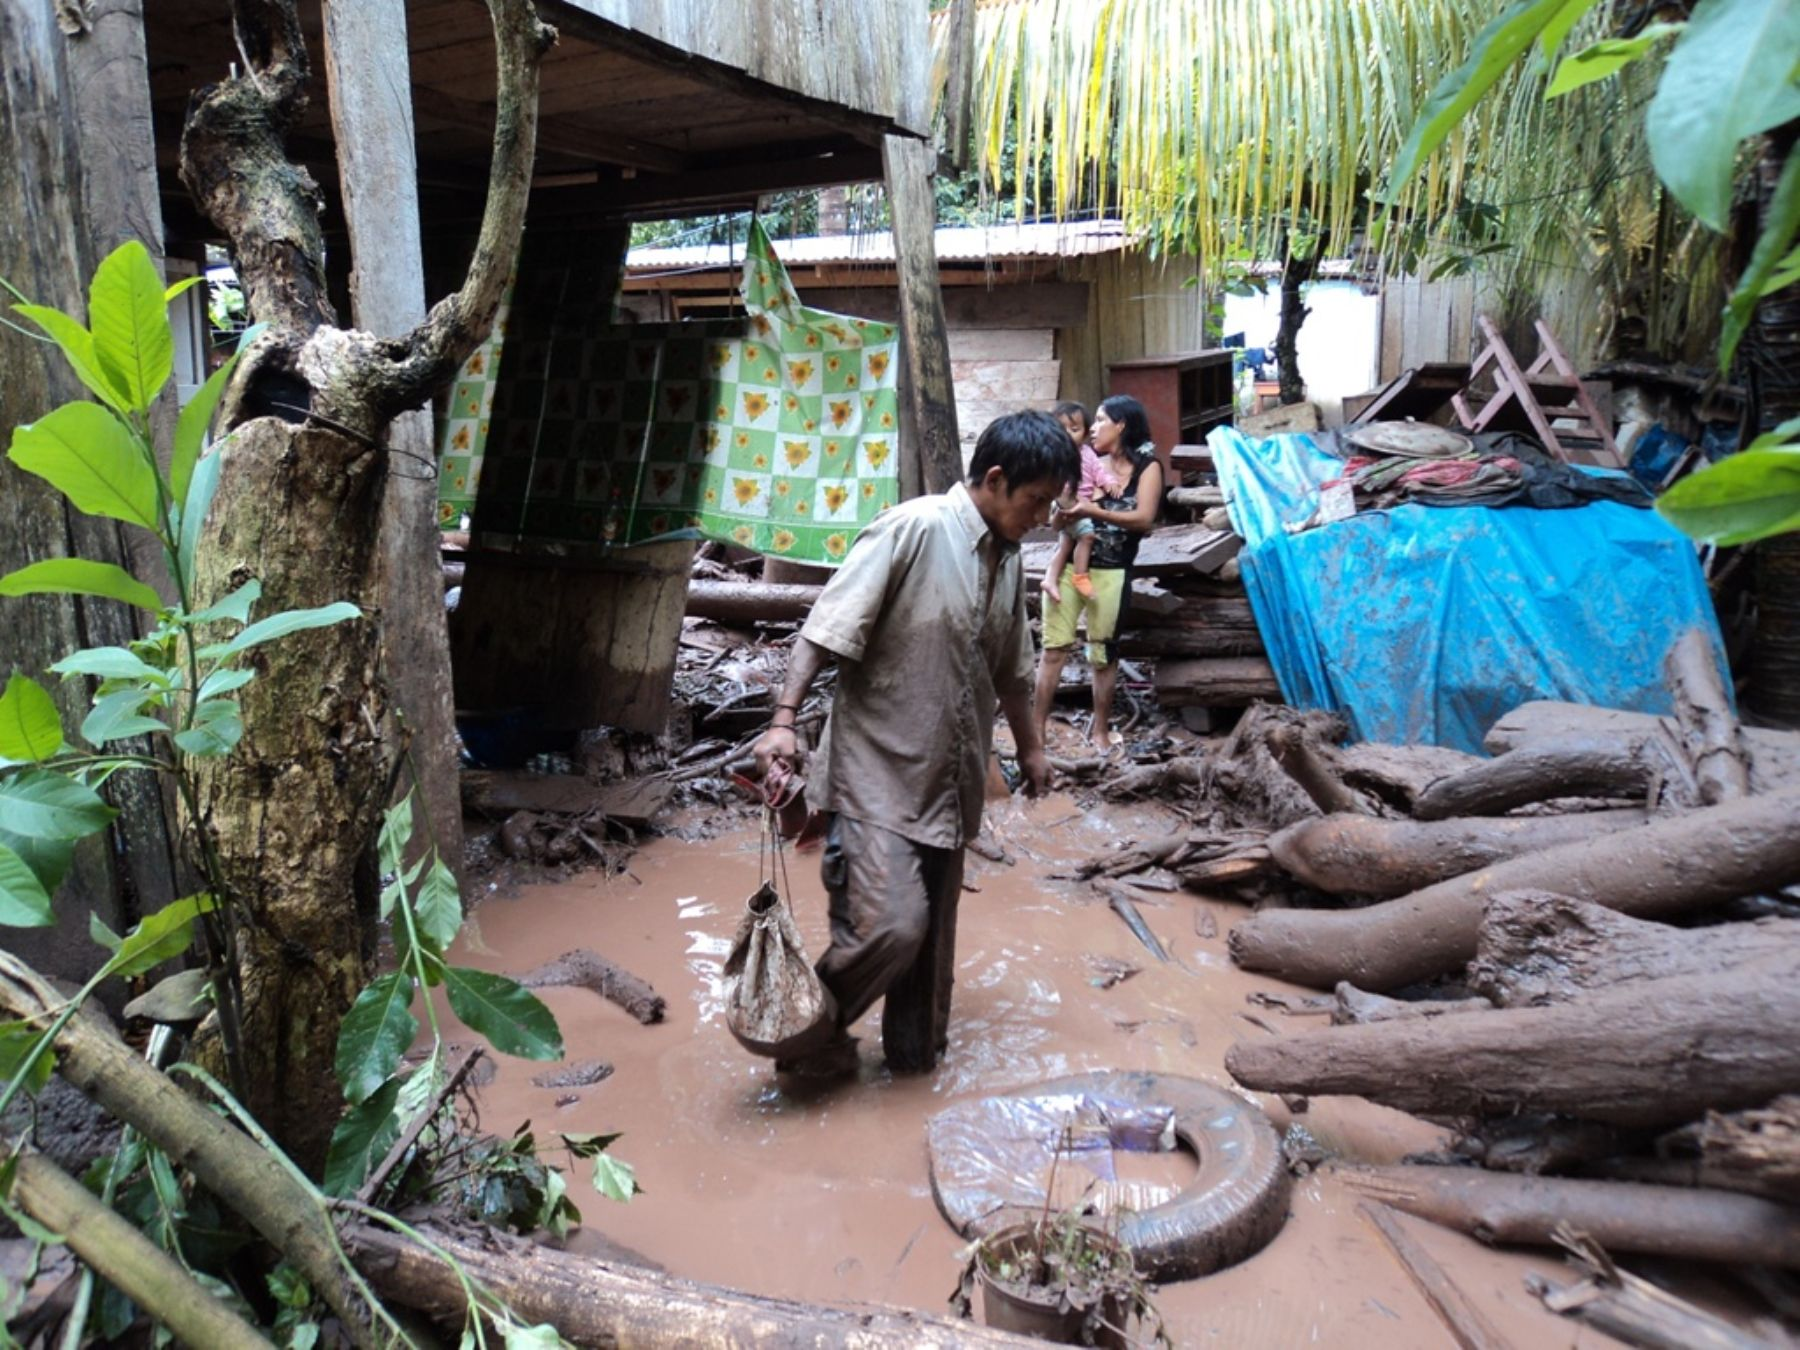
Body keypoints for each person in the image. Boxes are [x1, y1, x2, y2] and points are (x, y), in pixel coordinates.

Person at [752, 411, 1079, 1079]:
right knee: (892, 927)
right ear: (994, 479)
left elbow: (1013, 672)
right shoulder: (914, 528)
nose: (1043, 516)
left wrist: (1032, 751)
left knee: (925, 998)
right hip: (875, 776)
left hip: (947, 786)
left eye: (1051, 502)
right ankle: (798, 1031)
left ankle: (907, 1067)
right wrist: (783, 719)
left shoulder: (1008, 559)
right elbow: (825, 630)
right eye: (1036, 499)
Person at [1031, 394, 1163, 753]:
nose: (1093, 429)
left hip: (1112, 572)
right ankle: (1035, 731)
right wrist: (1063, 515)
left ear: (1121, 425)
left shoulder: (1148, 468)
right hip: (1071, 564)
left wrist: (1094, 511)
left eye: (1102, 420)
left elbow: (1144, 518)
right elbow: (1057, 515)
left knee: (1102, 654)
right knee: (1054, 649)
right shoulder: (1085, 462)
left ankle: (1100, 730)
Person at [1040, 401, 1105, 604]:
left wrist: (1107, 484)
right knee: (1087, 536)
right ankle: (1080, 577)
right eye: (1062, 429)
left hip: (1078, 503)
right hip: (1066, 503)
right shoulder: (1055, 456)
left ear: (1085, 432)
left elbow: (1099, 472)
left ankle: (1050, 578)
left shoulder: (1087, 454)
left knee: (1065, 544)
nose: (1068, 434)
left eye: (1074, 429)